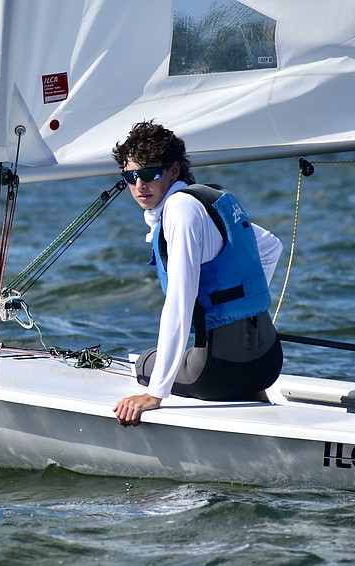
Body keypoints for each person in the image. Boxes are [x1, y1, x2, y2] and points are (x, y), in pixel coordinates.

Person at [112, 120, 283, 427]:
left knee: (143, 364)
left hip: (219, 371)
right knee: (186, 352)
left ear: (174, 171)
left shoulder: (179, 211)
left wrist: (155, 394)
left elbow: (179, 301)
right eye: (130, 176)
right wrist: (239, 309)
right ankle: (250, 391)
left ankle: (169, 379)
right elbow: (271, 247)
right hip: (267, 361)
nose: (140, 185)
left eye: (150, 173)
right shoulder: (210, 198)